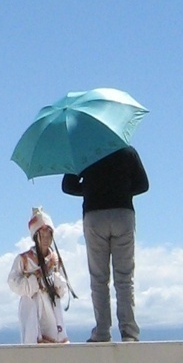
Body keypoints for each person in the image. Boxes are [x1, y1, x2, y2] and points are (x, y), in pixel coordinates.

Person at [61, 145, 148, 342]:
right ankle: (129, 332)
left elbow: (67, 185)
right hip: (123, 214)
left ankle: (102, 331)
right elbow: (143, 184)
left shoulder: (84, 152)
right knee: (125, 277)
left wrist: (90, 189)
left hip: (94, 215)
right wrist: (122, 189)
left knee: (99, 278)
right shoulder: (128, 151)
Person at [8, 206, 70, 344]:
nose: (46, 239)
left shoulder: (55, 260)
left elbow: (62, 288)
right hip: (32, 307)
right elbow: (13, 282)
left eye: (49, 235)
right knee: (33, 344)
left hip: (52, 308)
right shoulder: (24, 260)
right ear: (36, 237)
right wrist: (33, 281)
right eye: (42, 236)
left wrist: (56, 281)